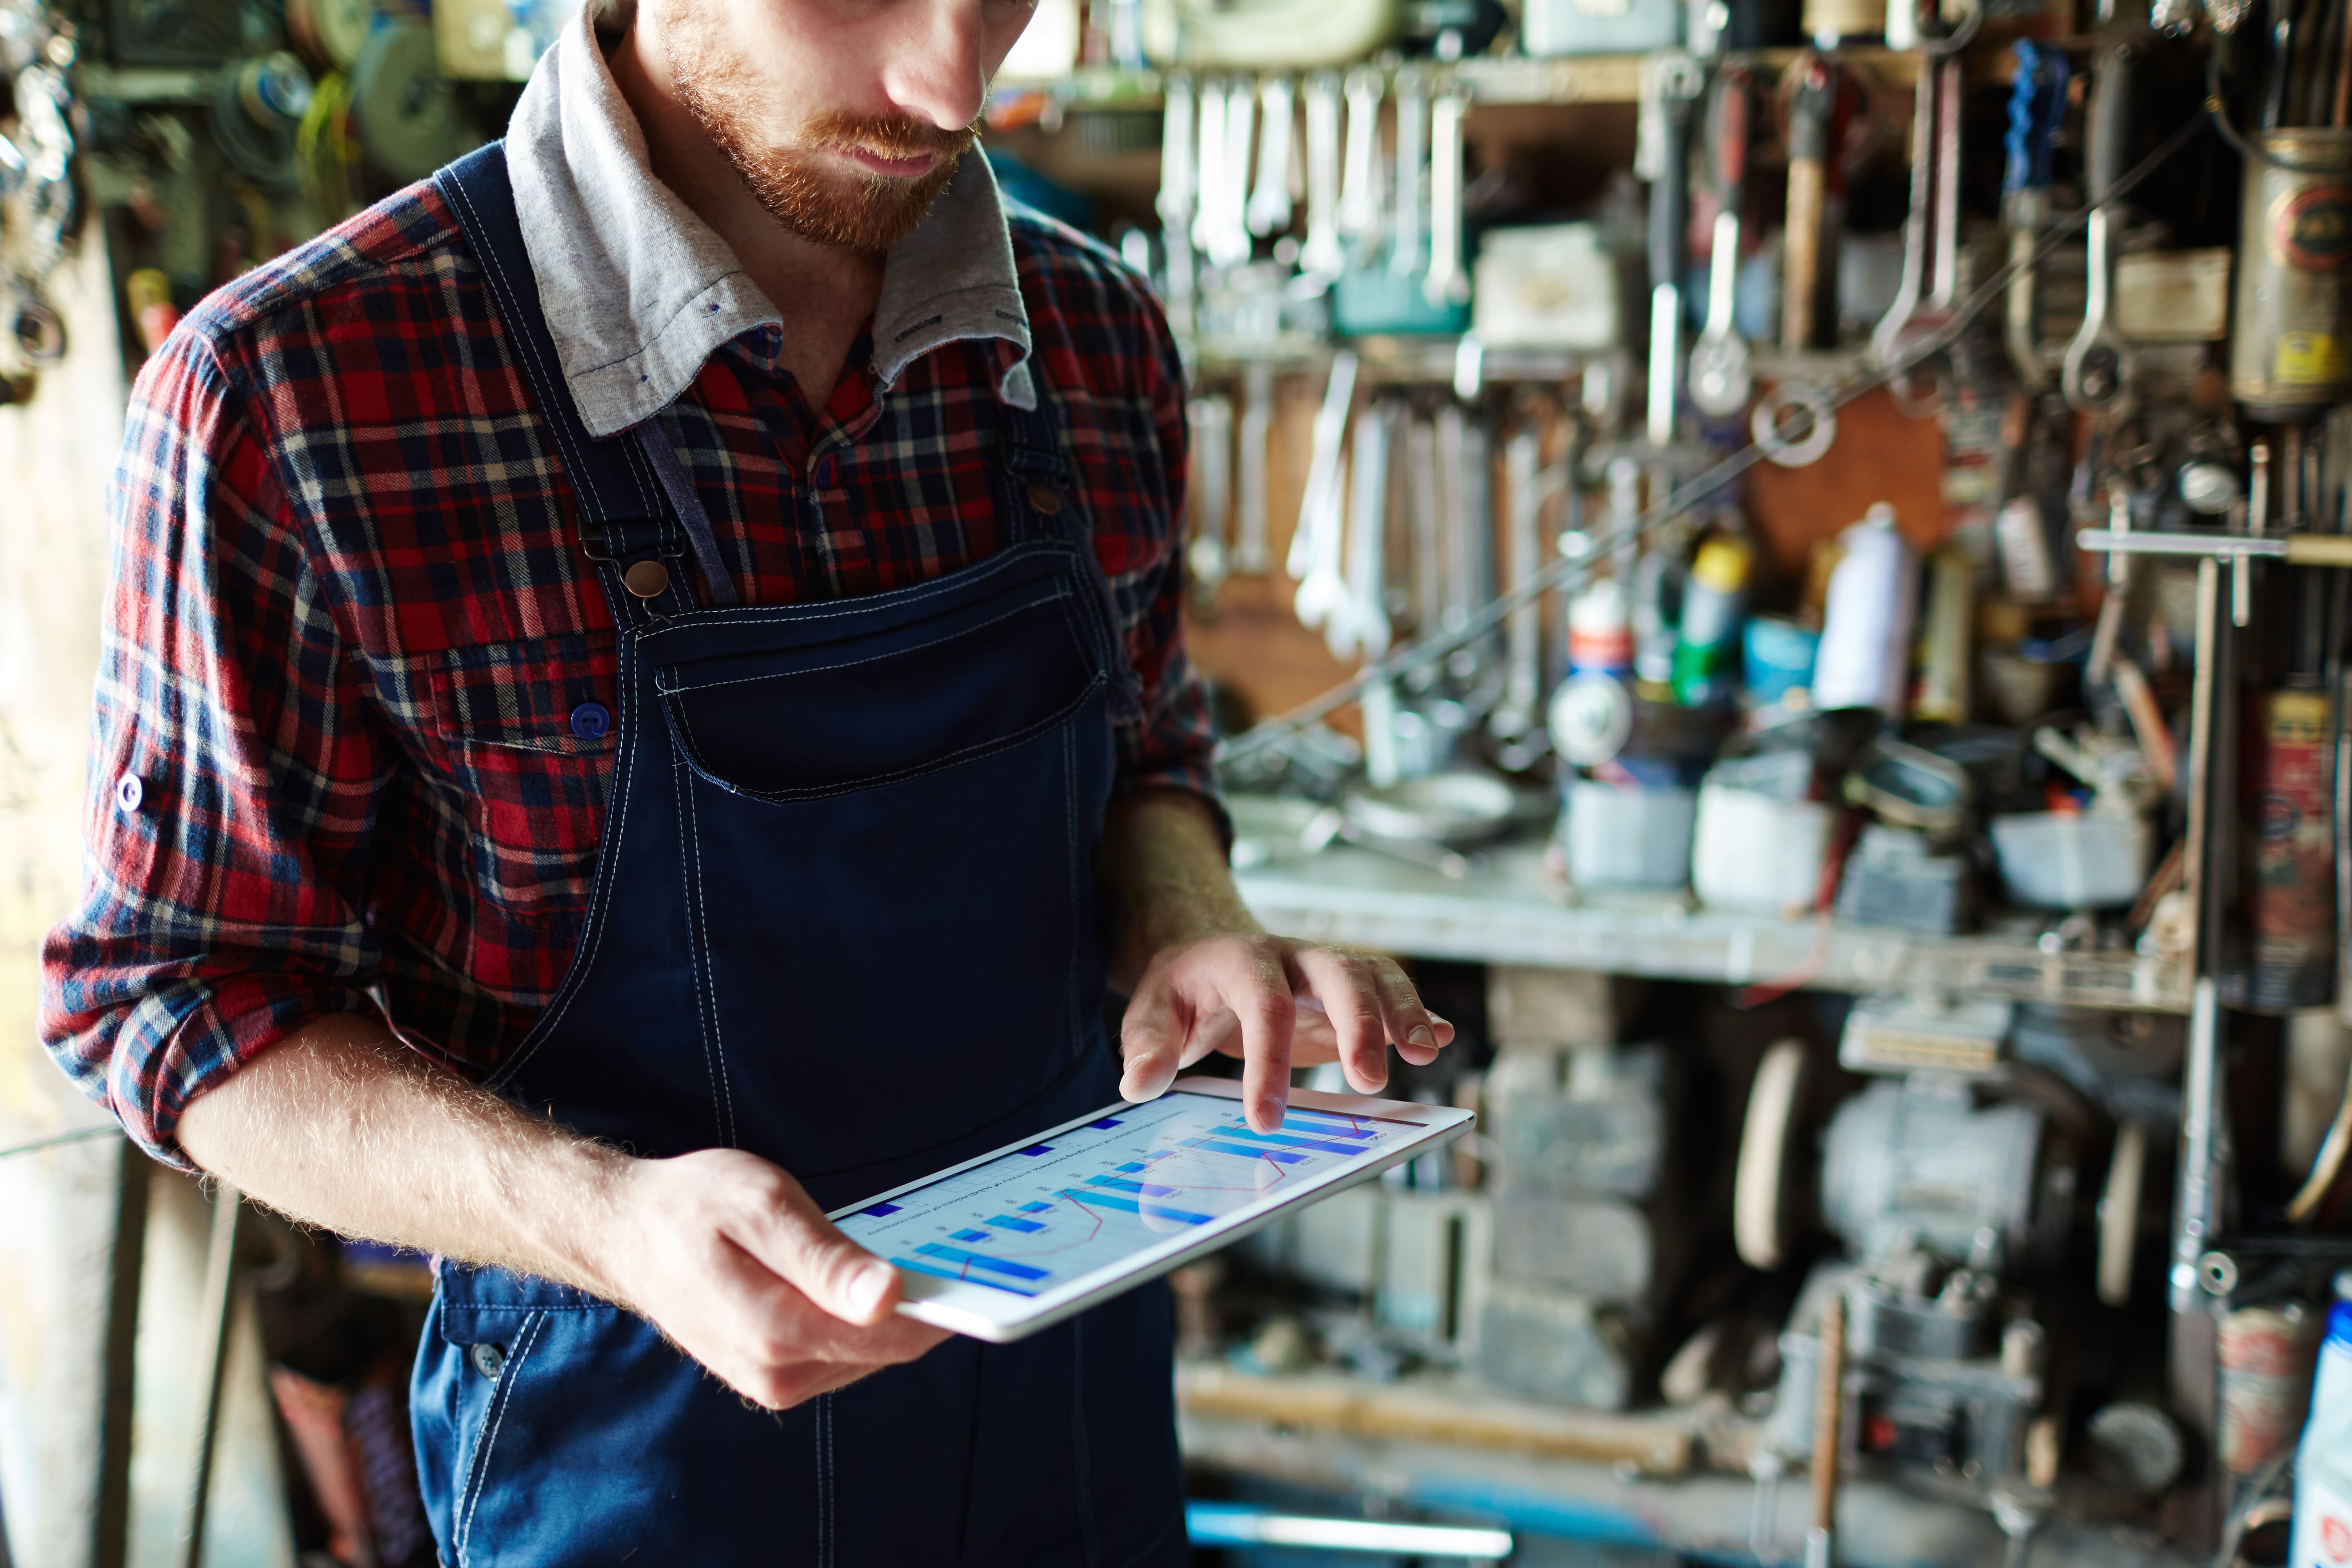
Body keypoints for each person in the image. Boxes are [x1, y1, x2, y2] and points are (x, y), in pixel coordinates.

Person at [40, 0, 1455, 1559]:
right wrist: (605, 1224)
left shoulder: (1096, 342)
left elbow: (1150, 758)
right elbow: (172, 1000)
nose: (950, 83)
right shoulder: (296, 392)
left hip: (1067, 1430)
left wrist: (1187, 916)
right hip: (640, 1464)